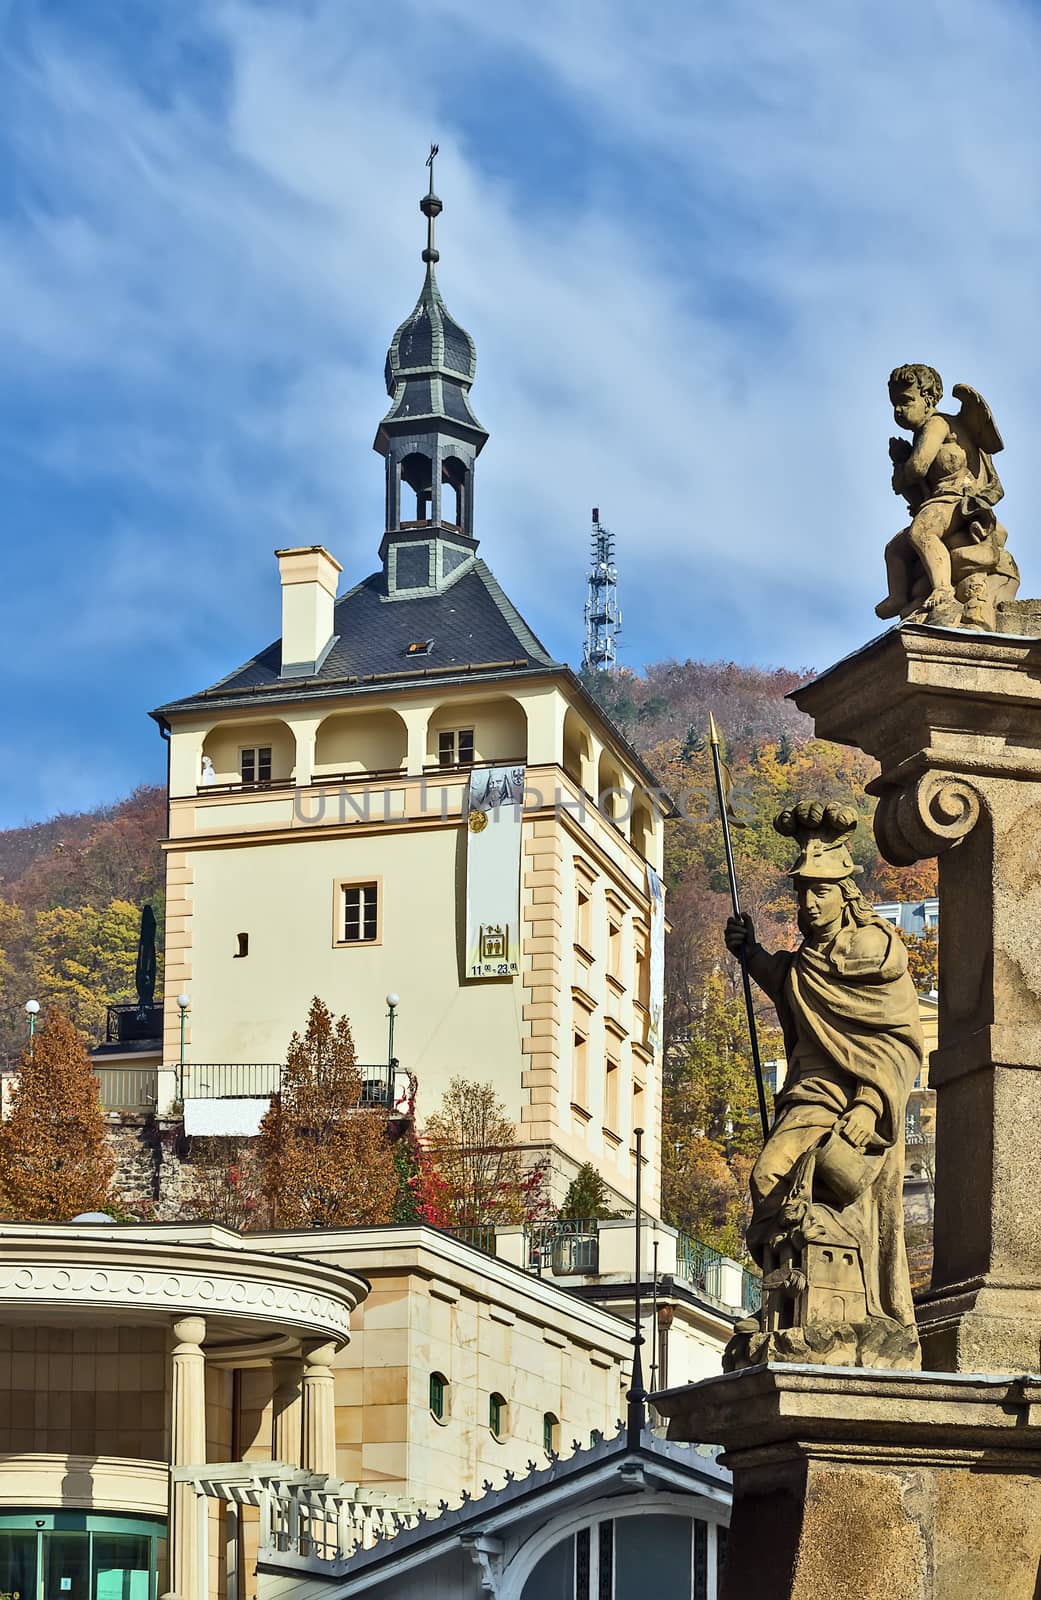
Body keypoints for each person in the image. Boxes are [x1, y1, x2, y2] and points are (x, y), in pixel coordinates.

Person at [725, 802, 923, 1328]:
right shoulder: (807, 958)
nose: (809, 904)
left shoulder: (875, 953)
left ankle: (830, 1306)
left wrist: (871, 1103)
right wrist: (752, 957)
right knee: (772, 1181)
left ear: (845, 894)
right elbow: (793, 986)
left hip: (843, 1100)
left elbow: (898, 1043)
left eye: (821, 891)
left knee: (785, 1179)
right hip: (805, 1091)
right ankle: (786, 1300)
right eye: (802, 893)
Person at [875, 363, 1010, 623]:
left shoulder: (936, 424)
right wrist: (900, 464)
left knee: (921, 532)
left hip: (960, 500)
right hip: (938, 502)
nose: (898, 411)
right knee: (894, 549)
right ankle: (898, 597)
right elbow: (919, 493)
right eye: (894, 404)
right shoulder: (921, 432)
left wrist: (903, 471)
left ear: (927, 398)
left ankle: (943, 588)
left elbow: (918, 466)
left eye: (905, 401)